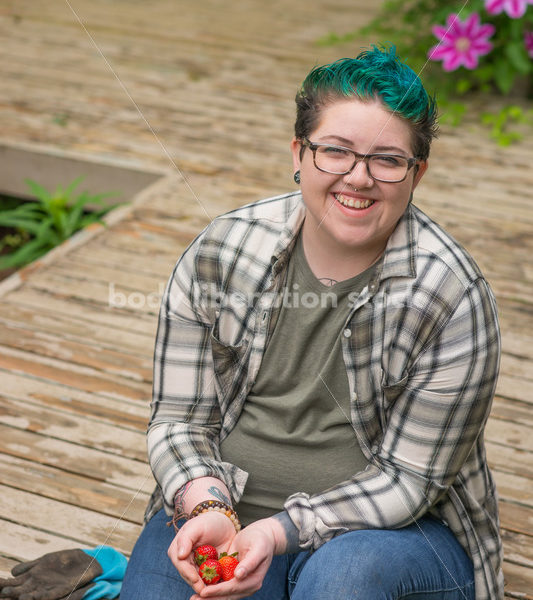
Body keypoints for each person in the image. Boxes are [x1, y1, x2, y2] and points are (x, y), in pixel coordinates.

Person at [120, 45, 503, 600]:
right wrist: (206, 503)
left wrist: (280, 534)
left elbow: (411, 481)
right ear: (299, 152)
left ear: (416, 173)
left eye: (388, 160)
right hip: (229, 509)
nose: (359, 177)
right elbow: (179, 419)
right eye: (336, 151)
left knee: (342, 580)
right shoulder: (221, 252)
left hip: (396, 535)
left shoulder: (453, 297)